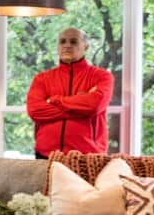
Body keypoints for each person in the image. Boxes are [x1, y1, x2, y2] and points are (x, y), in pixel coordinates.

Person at [25, 28, 114, 157]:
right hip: (45, 154)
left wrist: (55, 101)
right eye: (62, 42)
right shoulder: (42, 79)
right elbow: (35, 111)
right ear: (58, 47)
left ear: (86, 46)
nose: (67, 45)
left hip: (88, 155)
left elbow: (94, 106)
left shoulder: (102, 76)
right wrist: (80, 107)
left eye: (73, 41)